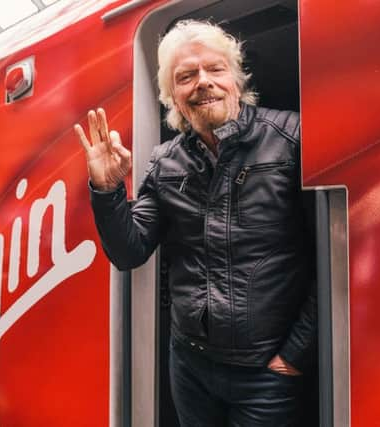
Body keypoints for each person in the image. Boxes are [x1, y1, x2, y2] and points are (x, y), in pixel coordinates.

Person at [75, 19, 315, 427]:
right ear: (174, 97)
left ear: (236, 80)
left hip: (266, 374)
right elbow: (129, 251)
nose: (202, 82)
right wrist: (108, 188)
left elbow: (331, 251)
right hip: (190, 366)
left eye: (215, 69)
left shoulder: (290, 137)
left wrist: (294, 355)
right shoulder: (165, 161)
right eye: (185, 76)